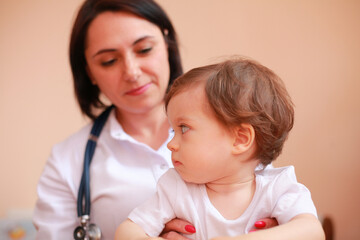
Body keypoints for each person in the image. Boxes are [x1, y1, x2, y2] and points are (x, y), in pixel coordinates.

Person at [33, 0, 276, 239]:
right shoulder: (67, 161)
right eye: (109, 61)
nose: (132, 72)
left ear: (167, 45)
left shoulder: (231, 127)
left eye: (144, 50)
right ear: (90, 73)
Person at [115, 57, 325, 240]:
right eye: (173, 131)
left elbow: (313, 232)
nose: (171, 143)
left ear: (240, 139)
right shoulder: (176, 189)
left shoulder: (277, 188)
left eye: (184, 128)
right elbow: (127, 230)